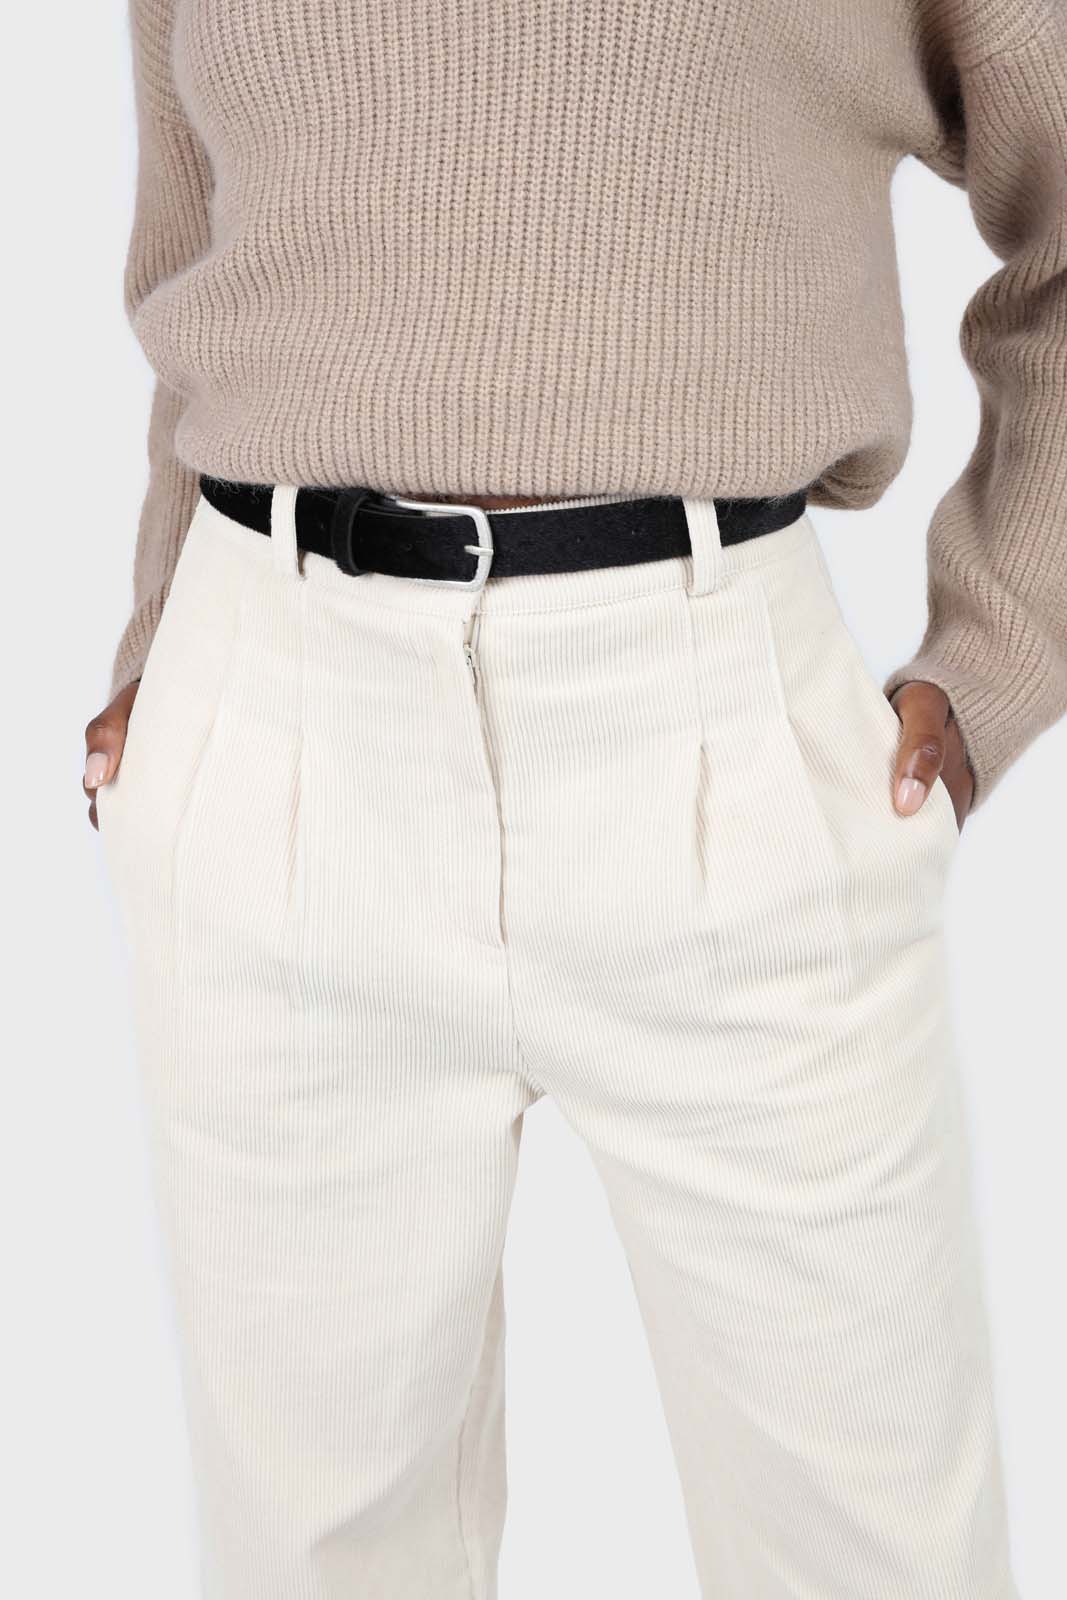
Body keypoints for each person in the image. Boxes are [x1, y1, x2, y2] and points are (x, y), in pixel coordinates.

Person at [83, 2, 1064, 1595]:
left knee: (874, 1551)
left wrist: (1005, 641)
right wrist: (162, 631)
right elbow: (206, 243)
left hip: (717, 728)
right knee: (313, 1563)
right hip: (276, 728)